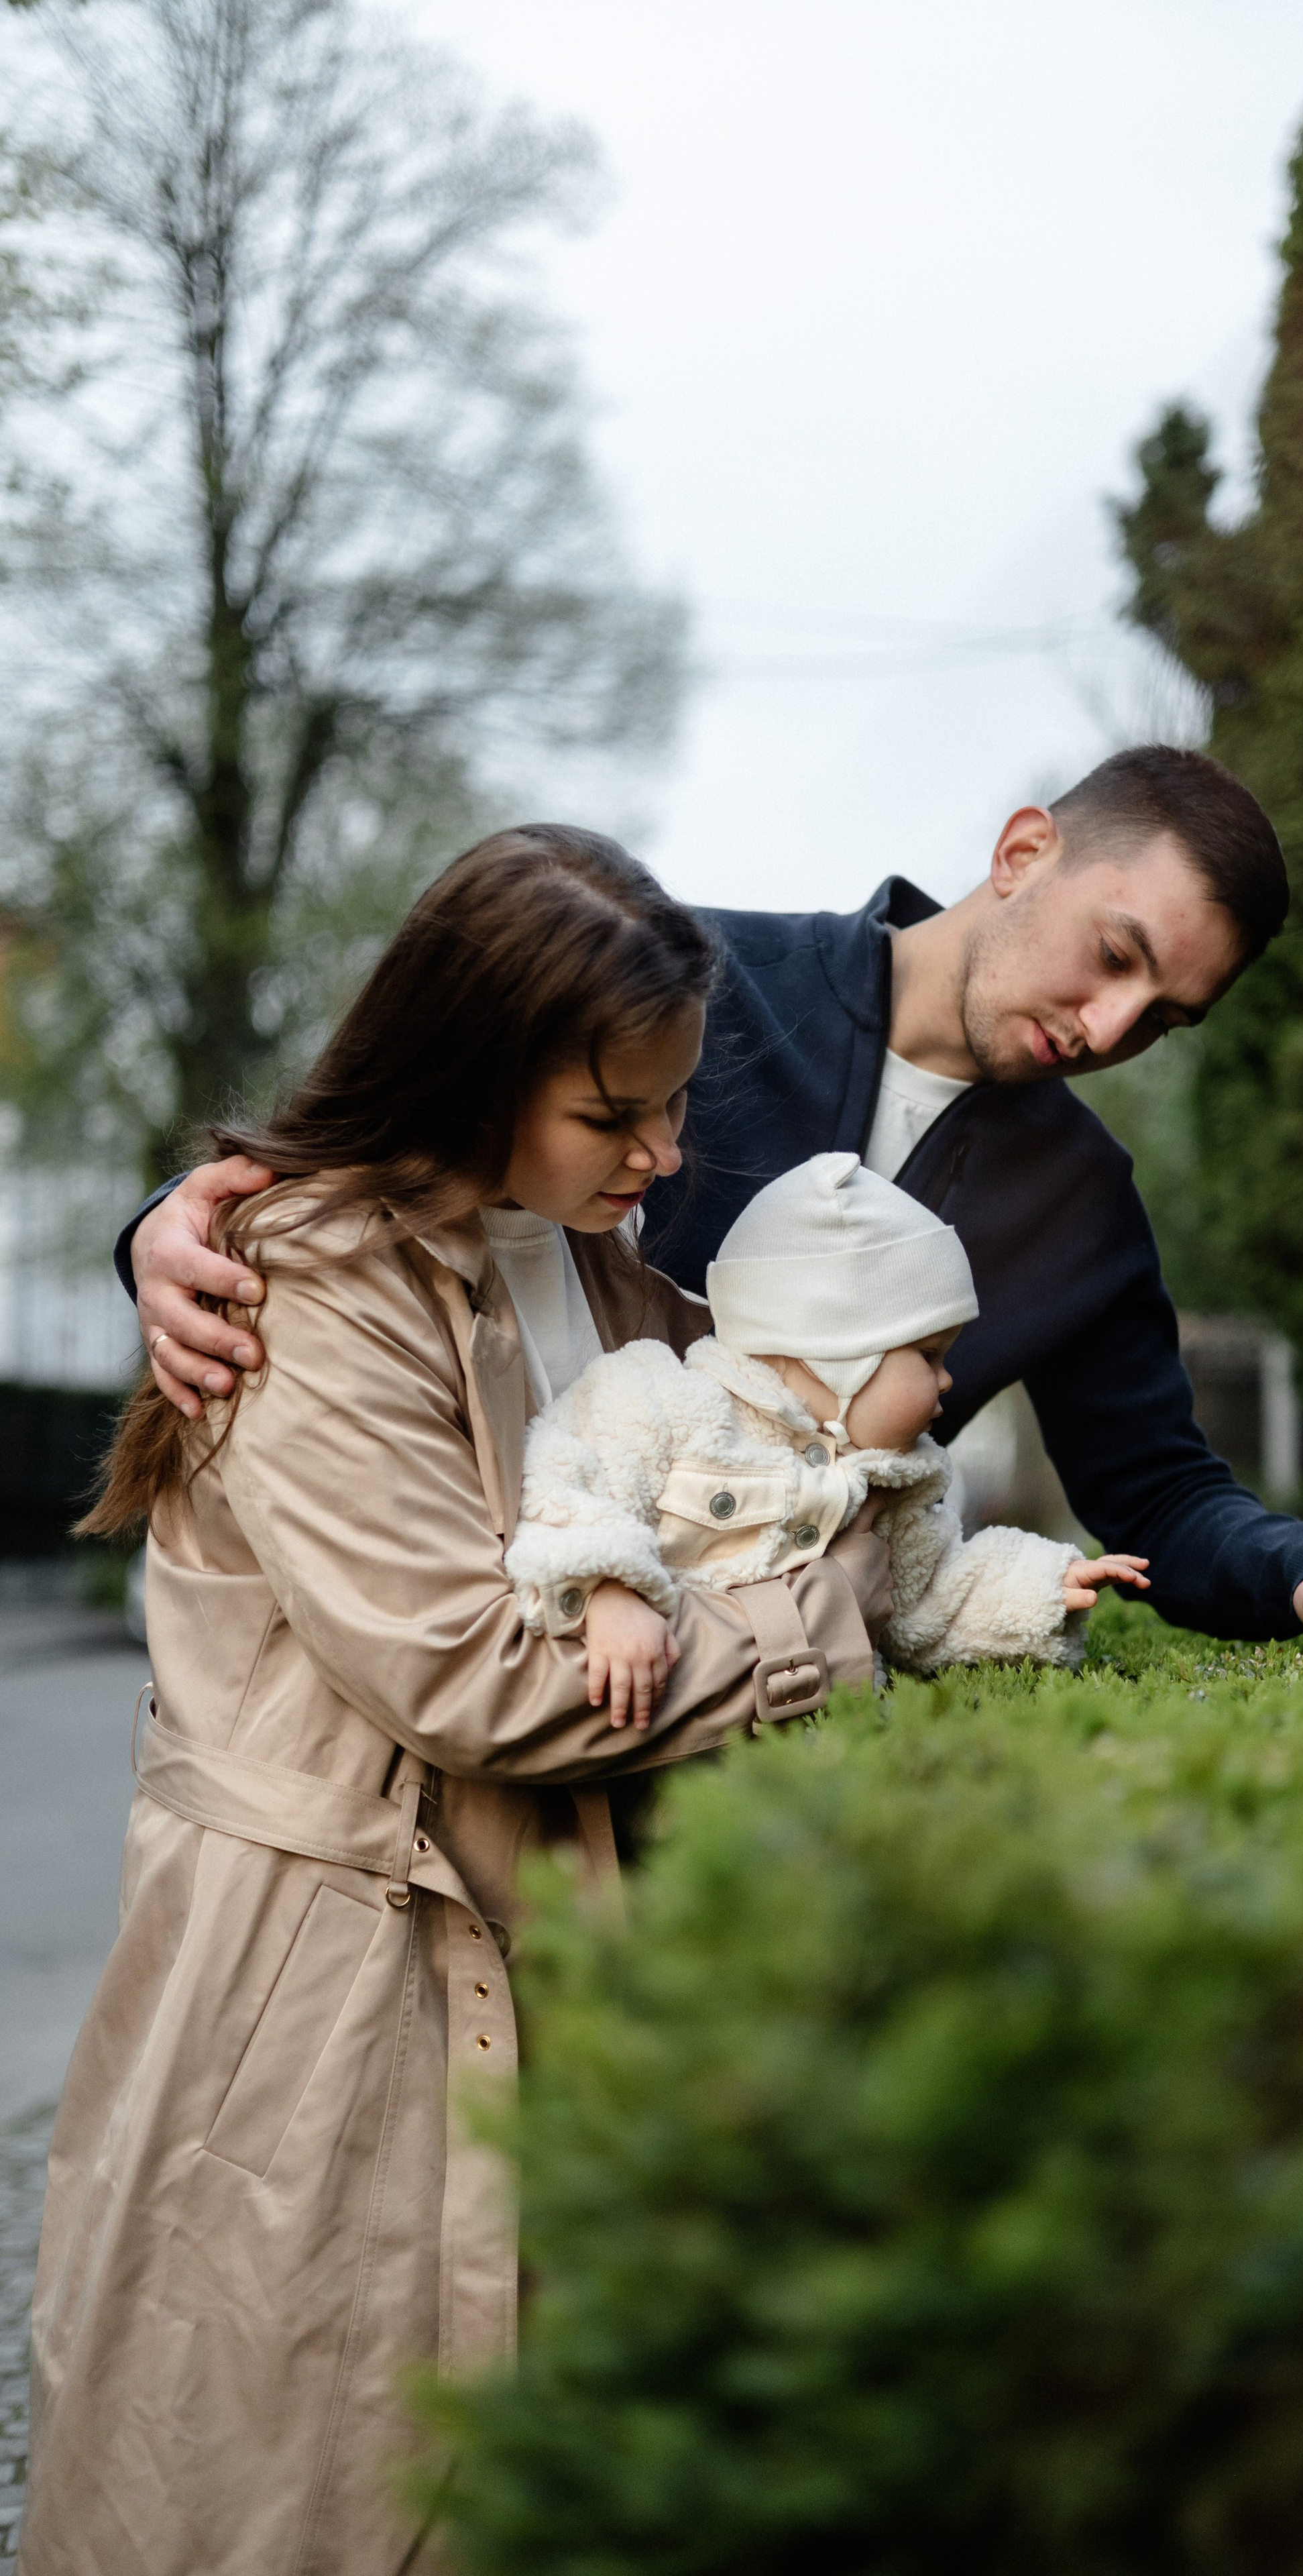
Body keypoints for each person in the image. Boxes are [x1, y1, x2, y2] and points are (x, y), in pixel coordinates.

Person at [21, 828, 892, 2576]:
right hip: (319, 1990)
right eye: (613, 1117)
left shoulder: (606, 1268)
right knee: (285, 2480)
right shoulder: (317, 1282)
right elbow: (482, 1680)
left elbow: (784, 1480)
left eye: (671, 1105)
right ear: (476, 1068)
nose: (663, 1156)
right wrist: (816, 1623)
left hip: (542, 1965)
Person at [120, 745, 1303, 1643]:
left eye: (1166, 1017)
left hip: (767, 1732)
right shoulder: (693, 985)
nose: (1113, 1031)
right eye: (1114, 956)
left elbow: (1160, 1490)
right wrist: (174, 1220)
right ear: (1020, 852)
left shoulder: (1082, 1203)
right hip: (499, 1643)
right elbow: (402, 1140)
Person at [506, 1150, 1150, 1715]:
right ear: (836, 1354)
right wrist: (609, 1592)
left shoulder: (892, 1483)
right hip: (680, 1728)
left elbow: (932, 1602)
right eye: (928, 1355)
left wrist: (1042, 1589)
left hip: (821, 1752)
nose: (948, 1381)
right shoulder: (662, 1401)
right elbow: (565, 1482)